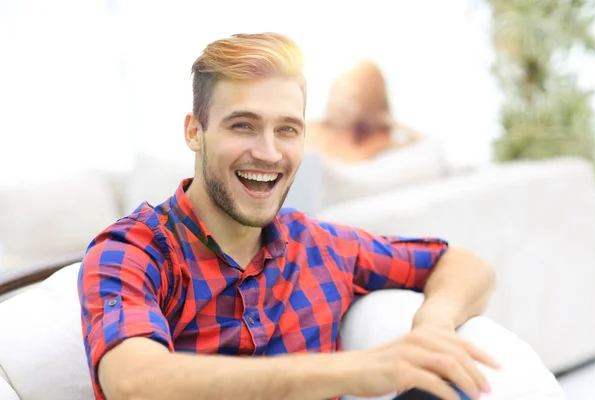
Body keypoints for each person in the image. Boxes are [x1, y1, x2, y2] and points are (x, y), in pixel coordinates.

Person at [78, 33, 499, 400]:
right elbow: (135, 384)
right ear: (194, 131)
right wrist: (362, 370)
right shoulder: (131, 252)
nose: (269, 152)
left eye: (287, 129)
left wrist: (434, 324)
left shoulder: (320, 245)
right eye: (243, 125)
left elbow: (463, 264)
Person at [306, 60, 424, 163]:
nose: (341, 104)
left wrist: (387, 119)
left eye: (353, 99)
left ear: (368, 105)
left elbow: (423, 145)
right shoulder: (308, 129)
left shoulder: (375, 140)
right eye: (338, 93)